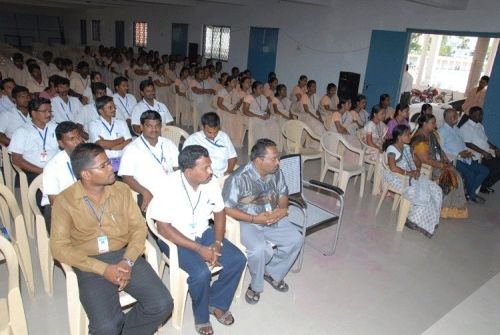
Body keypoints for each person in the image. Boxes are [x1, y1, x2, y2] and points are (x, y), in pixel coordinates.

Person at [50, 143, 173, 335]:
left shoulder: (122, 190)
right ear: (86, 174)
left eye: (109, 163)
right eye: (104, 166)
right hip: (89, 263)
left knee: (162, 304)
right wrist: (103, 269)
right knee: (107, 325)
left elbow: (138, 228)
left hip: (124, 254)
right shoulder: (65, 201)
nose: (112, 168)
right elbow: (59, 248)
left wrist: (128, 260)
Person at [149, 145, 246, 335]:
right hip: (175, 237)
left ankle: (216, 302)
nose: (211, 171)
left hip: (203, 231)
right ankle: (201, 317)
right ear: (189, 171)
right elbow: (163, 228)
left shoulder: (210, 181)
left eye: (210, 165)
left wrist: (217, 243)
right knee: (201, 274)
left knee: (237, 259)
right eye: (205, 167)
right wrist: (199, 249)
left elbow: (219, 212)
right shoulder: (167, 185)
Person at [223, 139, 303, 305]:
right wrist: (254, 218)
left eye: (277, 158)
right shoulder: (238, 178)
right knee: (260, 250)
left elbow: (282, 194)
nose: (278, 162)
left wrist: (281, 211)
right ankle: (255, 285)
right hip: (247, 220)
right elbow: (227, 208)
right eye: (273, 158)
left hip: (272, 216)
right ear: (259, 160)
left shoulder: (276, 172)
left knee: (296, 239)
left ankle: (272, 272)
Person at [383, 125, 442, 237]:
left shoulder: (406, 147)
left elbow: (413, 163)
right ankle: (413, 220)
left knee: (436, 189)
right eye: (407, 134)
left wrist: (416, 170)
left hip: (409, 175)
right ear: (399, 137)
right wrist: (409, 173)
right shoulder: (392, 149)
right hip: (396, 177)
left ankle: (425, 221)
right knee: (423, 193)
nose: (410, 136)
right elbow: (393, 167)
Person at [119, 110, 179, 211]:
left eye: (157, 126)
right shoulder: (132, 149)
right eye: (149, 126)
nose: (154, 129)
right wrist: (145, 192)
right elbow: (127, 177)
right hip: (149, 192)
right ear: (141, 127)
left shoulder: (168, 143)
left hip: (171, 190)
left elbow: (177, 167)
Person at [411, 114, 468, 219]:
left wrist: (446, 161)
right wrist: (441, 165)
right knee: (450, 179)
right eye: (432, 123)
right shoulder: (419, 138)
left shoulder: (432, 135)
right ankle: (443, 209)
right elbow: (424, 159)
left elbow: (439, 150)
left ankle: (452, 209)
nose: (435, 125)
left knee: (458, 176)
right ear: (424, 124)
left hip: (437, 163)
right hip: (426, 167)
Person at [439, 108, 488, 203]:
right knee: (470, 174)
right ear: (447, 118)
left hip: (465, 157)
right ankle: (471, 195)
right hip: (453, 159)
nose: (456, 118)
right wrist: (458, 154)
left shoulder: (457, 129)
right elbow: (441, 149)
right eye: (454, 116)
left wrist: (466, 152)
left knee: (484, 170)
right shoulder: (442, 131)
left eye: (456, 115)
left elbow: (462, 143)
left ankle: (469, 192)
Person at [41, 121, 83, 232]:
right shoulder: (52, 167)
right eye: (72, 139)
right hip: (60, 210)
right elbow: (55, 203)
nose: (78, 142)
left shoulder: (88, 158)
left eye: (78, 137)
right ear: (61, 143)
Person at [8, 97, 59, 184]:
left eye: (50, 111)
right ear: (33, 113)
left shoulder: (55, 127)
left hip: (56, 168)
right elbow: (16, 159)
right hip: (34, 171)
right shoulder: (22, 132)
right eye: (44, 111)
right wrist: (41, 171)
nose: (48, 114)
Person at [459, 106, 500, 194]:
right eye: (479, 115)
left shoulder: (480, 126)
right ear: (471, 115)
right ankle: (482, 185)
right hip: (477, 155)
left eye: (481, 114)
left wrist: (495, 148)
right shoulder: (466, 127)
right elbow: (468, 143)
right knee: (496, 165)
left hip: (487, 152)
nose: (481, 117)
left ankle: (484, 185)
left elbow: (486, 140)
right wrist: (484, 152)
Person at [183, 112, 237, 178]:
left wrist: (228, 171)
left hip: (223, 175)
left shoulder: (223, 136)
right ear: (203, 127)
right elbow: (185, 161)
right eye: (209, 132)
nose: (213, 135)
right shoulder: (193, 139)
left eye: (216, 132)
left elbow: (232, 156)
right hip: (203, 177)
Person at [89, 96, 131, 173]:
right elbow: (101, 144)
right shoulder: (93, 124)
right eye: (110, 107)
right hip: (105, 164)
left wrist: (109, 147)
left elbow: (128, 141)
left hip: (123, 161)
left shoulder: (121, 122)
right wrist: (121, 139)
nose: (114, 109)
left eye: (114, 106)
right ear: (101, 110)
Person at [242, 81, 282, 149]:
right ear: (254, 89)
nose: (262, 89)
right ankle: (261, 146)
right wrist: (259, 116)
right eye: (260, 88)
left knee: (275, 125)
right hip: (251, 117)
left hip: (262, 116)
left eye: (262, 88)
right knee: (263, 126)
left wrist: (268, 115)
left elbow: (267, 110)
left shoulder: (263, 97)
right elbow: (245, 111)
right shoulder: (249, 97)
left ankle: (271, 145)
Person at [298, 80, 326, 148]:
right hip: (305, 116)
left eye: (315, 87)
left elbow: (316, 110)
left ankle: (321, 146)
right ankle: (314, 146)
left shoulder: (314, 97)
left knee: (324, 123)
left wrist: (320, 118)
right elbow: (306, 110)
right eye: (313, 87)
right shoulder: (304, 96)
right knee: (319, 126)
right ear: (308, 88)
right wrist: (317, 119)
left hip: (312, 115)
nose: (315, 88)